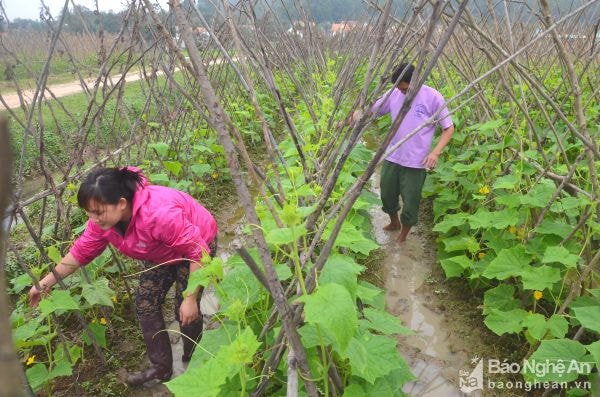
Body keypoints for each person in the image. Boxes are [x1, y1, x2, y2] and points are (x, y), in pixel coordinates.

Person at [28, 166, 218, 386]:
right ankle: (161, 368)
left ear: (121, 203)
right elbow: (81, 252)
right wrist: (44, 283)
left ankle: (193, 356)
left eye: (98, 212)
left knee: (184, 310)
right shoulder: (102, 223)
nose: (94, 219)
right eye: (89, 212)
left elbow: (198, 251)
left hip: (197, 247)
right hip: (161, 252)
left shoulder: (158, 214)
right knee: (145, 303)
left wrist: (190, 298)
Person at [354, 63, 454, 242]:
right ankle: (394, 222)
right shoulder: (394, 93)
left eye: (405, 89)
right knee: (386, 194)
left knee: (410, 202)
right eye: (399, 90)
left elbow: (448, 128)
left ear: (415, 82)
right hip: (393, 155)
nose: (402, 93)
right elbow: (373, 111)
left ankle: (403, 235)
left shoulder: (433, 97)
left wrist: (435, 153)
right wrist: (357, 114)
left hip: (417, 162)